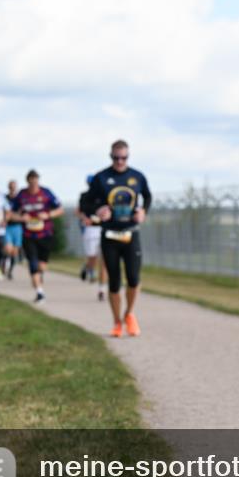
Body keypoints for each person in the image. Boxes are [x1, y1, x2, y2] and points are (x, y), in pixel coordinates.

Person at [82, 139, 152, 337]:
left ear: (128, 156)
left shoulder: (137, 177)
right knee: (114, 280)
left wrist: (143, 211)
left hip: (131, 233)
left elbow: (147, 196)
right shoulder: (101, 178)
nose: (120, 161)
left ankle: (129, 314)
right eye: (116, 158)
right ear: (111, 156)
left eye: (124, 158)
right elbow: (85, 203)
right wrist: (98, 209)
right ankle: (116, 322)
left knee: (133, 278)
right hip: (110, 234)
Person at [10, 170, 63, 302]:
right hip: (29, 235)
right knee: (32, 263)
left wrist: (48, 215)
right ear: (27, 181)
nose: (33, 183)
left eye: (35, 180)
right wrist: (22, 217)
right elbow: (10, 214)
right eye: (31, 181)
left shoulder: (46, 193)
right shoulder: (22, 195)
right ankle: (40, 292)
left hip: (45, 234)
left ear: (38, 180)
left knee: (42, 265)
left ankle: (39, 275)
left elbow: (60, 209)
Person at [77, 175, 107, 301]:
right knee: (92, 257)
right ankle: (88, 267)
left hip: (104, 229)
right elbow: (79, 211)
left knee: (104, 261)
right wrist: (85, 219)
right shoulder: (85, 196)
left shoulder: (105, 196)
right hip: (91, 230)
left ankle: (102, 289)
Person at [2, 180, 23, 280]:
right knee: (8, 249)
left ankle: (10, 271)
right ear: (8, 187)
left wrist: (13, 216)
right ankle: (3, 262)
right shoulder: (4, 198)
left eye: (14, 186)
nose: (12, 188)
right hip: (7, 227)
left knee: (15, 252)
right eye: (11, 186)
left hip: (17, 227)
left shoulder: (20, 199)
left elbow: (21, 213)